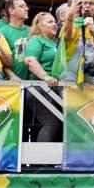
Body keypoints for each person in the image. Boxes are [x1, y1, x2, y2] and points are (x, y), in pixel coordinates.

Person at [57, 0, 94, 83]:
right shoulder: (72, 24)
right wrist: (70, 17)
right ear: (80, 7)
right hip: (70, 77)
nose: (87, 6)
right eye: (85, 3)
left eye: (91, 3)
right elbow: (67, 38)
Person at [25, 12, 62, 143]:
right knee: (51, 123)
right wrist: (45, 77)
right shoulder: (36, 40)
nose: (54, 24)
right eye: (50, 22)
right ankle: (41, 161)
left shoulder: (57, 42)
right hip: (40, 89)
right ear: (39, 26)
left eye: (54, 22)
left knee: (59, 123)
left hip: (56, 88)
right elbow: (30, 61)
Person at [0, 0, 31, 80]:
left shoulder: (32, 31)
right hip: (11, 83)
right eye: (22, 6)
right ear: (11, 11)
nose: (26, 9)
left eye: (26, 6)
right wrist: (11, 75)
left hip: (33, 83)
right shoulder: (2, 32)